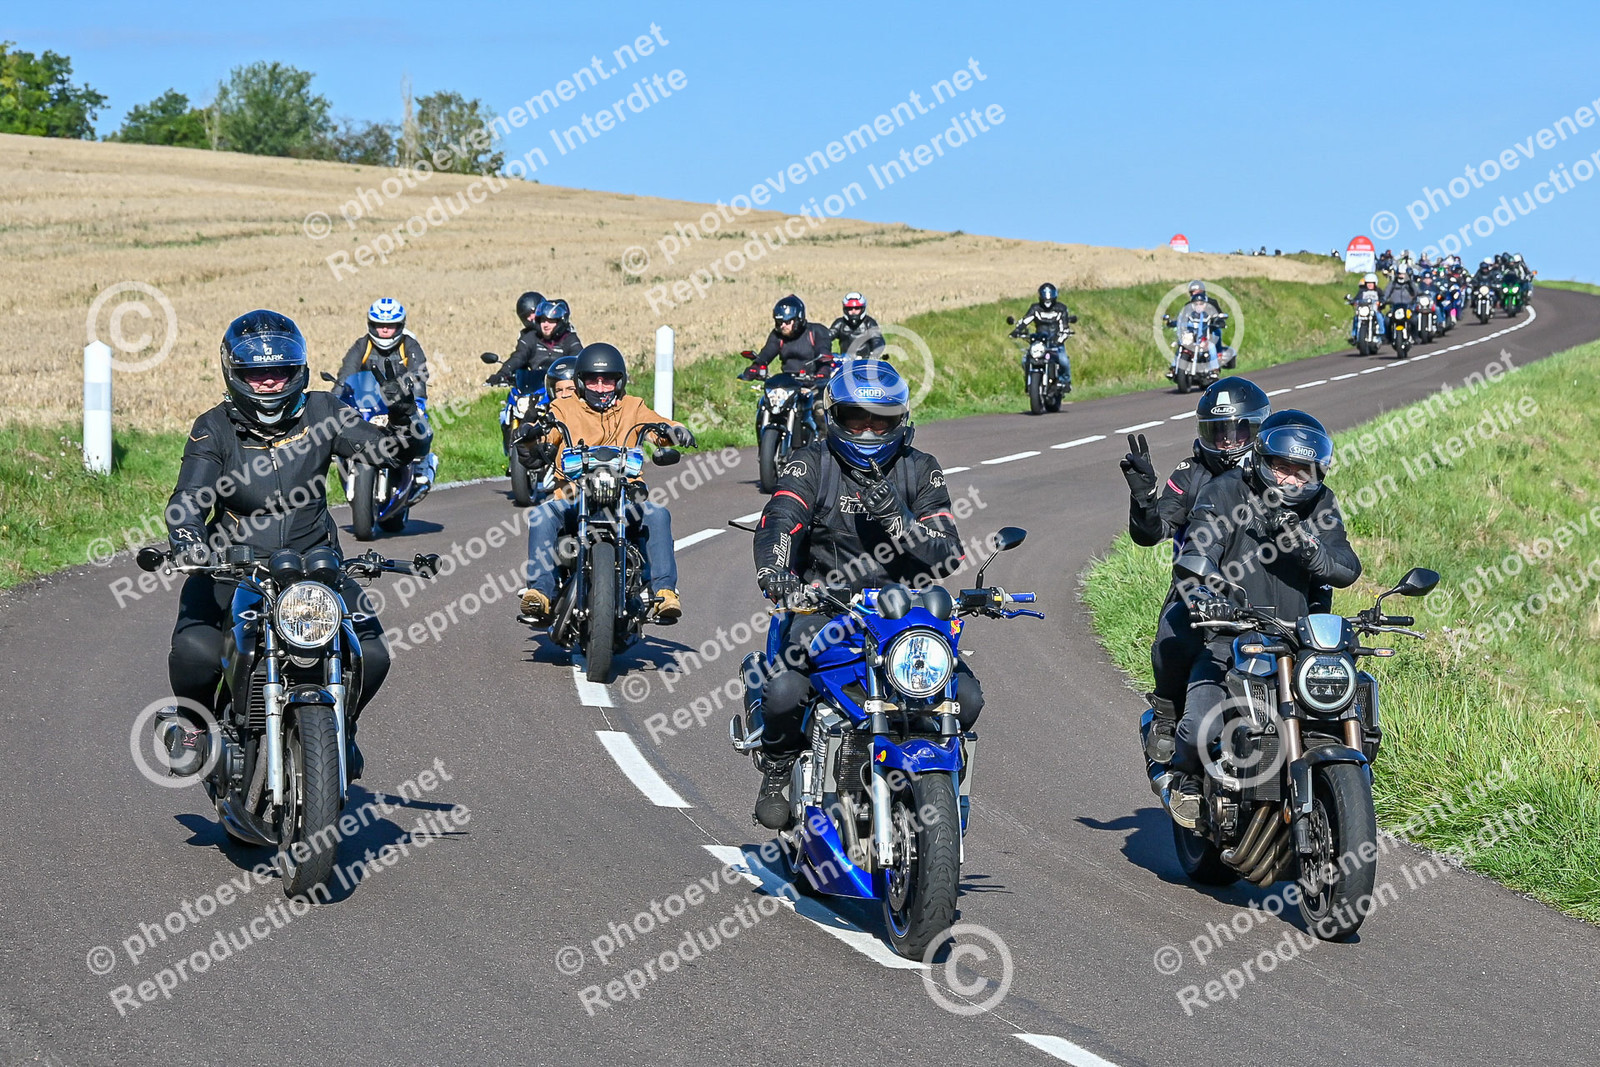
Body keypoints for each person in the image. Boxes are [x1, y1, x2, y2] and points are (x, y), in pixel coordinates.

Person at [161, 310, 432, 779]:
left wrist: (406, 417)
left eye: (281, 371)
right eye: (256, 373)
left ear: (299, 371)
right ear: (233, 374)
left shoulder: (323, 412)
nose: (269, 382)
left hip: (316, 567)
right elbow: (187, 500)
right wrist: (190, 542)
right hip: (233, 568)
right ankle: (196, 728)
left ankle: (342, 727)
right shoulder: (213, 428)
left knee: (372, 654)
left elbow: (391, 452)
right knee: (194, 652)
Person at [748, 361, 972, 828]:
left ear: (900, 420)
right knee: (785, 692)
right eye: (856, 418)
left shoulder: (921, 469)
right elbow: (780, 519)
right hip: (826, 606)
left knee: (966, 697)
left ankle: (943, 784)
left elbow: (948, 553)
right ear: (834, 417)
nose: (868, 430)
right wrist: (775, 572)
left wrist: (900, 522)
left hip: (905, 615)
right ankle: (778, 766)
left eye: (880, 420)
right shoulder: (811, 463)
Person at [1164, 410, 1361, 827]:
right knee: (1200, 725)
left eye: (1303, 471)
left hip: (1297, 641)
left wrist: (1309, 549)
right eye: (1282, 467)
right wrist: (1208, 598)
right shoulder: (1225, 491)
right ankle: (1185, 781)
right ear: (1261, 459)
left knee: (1350, 699)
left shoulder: (1321, 503)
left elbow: (1346, 566)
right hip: (1231, 634)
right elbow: (1197, 552)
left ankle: (1338, 796)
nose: (1292, 480)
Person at [1121, 378, 1270, 764]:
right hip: (1199, 590)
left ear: (1258, 430)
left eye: (1238, 432)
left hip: (1266, 592)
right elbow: (1152, 532)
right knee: (1172, 637)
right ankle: (1167, 715)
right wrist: (1143, 499)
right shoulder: (1191, 472)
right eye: (1218, 432)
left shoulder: (1277, 473)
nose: (1227, 442)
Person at [518, 343, 696, 624]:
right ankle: (540, 592)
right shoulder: (564, 407)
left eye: (608, 380)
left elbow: (659, 426)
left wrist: (676, 431)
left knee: (658, 514)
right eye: (593, 380)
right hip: (573, 497)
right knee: (541, 515)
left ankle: (664, 592)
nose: (600, 388)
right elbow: (546, 434)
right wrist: (531, 435)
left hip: (625, 497)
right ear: (580, 382)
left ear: (619, 382)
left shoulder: (633, 407)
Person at [336, 297, 436, 489]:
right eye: (379, 325)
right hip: (369, 402)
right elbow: (346, 372)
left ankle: (421, 465)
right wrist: (337, 398)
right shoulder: (362, 345)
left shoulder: (409, 345)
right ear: (371, 325)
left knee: (423, 427)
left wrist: (416, 400)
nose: (384, 330)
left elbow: (418, 372)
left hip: (401, 401)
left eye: (390, 326)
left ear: (400, 326)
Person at [493, 299, 582, 385]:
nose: (546, 325)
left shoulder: (570, 339)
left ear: (560, 322)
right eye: (543, 320)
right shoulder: (531, 337)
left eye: (551, 321)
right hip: (532, 387)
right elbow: (518, 357)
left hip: (559, 387)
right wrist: (502, 373)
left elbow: (577, 358)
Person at [750, 294, 835, 378]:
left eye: (787, 322)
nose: (782, 326)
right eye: (779, 322)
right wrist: (755, 366)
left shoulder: (816, 331)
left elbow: (824, 355)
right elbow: (767, 353)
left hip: (813, 381)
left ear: (798, 320)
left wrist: (822, 373)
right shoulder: (778, 335)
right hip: (787, 381)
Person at [1009, 283, 1074, 387]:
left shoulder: (1061, 309)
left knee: (1064, 361)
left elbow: (1064, 327)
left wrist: (1060, 338)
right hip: (1039, 343)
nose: (1047, 302)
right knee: (1025, 360)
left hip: (1056, 343)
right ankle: (1029, 381)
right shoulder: (1035, 308)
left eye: (1049, 298)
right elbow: (1025, 320)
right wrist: (1017, 330)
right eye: (1045, 298)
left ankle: (1065, 382)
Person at [828, 291, 886, 359]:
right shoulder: (840, 323)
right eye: (850, 309)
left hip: (865, 361)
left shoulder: (869, 323)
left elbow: (877, 339)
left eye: (857, 308)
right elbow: (826, 337)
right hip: (845, 361)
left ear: (862, 309)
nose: (853, 311)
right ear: (845, 309)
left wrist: (875, 353)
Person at [1346, 273, 1386, 342]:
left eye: (1371, 283)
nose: (1369, 285)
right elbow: (1357, 298)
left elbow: (1382, 298)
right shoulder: (1362, 291)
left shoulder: (1378, 291)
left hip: (1374, 310)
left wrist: (1381, 302)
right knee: (1356, 318)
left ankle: (1381, 333)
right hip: (1364, 310)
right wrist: (1353, 301)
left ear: (1375, 283)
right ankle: (1354, 335)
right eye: (1368, 283)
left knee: (1379, 317)